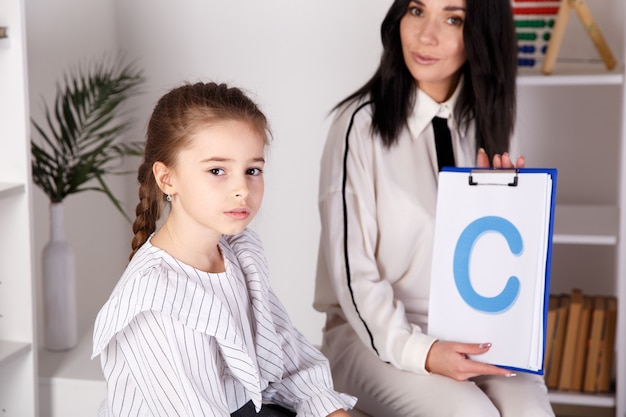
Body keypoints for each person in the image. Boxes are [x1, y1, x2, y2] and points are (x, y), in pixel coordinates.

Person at [313, 1, 555, 416]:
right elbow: (355, 279)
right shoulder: (359, 127)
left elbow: (496, 268)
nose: (427, 35)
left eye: (453, 19)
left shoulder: (488, 124)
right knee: (468, 414)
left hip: (474, 331)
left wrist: (507, 208)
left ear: (481, 32)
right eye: (416, 10)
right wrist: (422, 352)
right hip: (371, 338)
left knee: (529, 411)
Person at [92, 82, 356, 417]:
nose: (241, 189)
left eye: (252, 170)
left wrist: (330, 410)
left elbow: (286, 357)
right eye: (217, 170)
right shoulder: (155, 304)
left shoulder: (239, 254)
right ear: (167, 178)